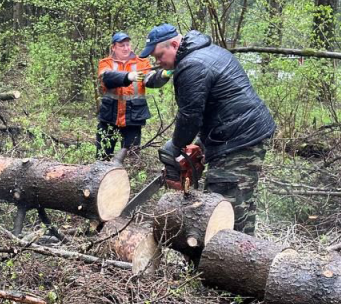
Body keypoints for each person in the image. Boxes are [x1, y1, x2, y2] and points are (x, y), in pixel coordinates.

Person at [138, 23, 275, 235]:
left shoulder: (192, 66)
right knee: (241, 200)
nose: (158, 62)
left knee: (221, 203)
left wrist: (175, 148)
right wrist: (201, 144)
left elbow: (189, 116)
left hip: (239, 138)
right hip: (241, 132)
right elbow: (212, 107)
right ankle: (247, 255)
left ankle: (230, 259)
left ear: (174, 44)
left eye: (159, 56)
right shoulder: (205, 51)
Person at [96, 31, 170, 160]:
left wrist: (163, 75)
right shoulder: (105, 63)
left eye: (127, 45)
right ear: (113, 47)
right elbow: (106, 78)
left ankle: (129, 179)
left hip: (133, 117)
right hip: (109, 117)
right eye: (121, 45)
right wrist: (127, 76)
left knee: (132, 157)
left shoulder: (142, 62)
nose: (126, 48)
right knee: (103, 156)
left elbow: (150, 80)